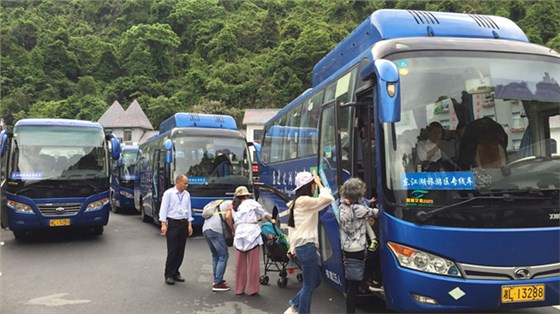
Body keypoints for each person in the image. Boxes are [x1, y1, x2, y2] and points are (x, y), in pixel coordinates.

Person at [284, 172, 334, 314]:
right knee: (308, 285)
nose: (315, 188)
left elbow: (292, 228)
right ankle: (301, 311)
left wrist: (291, 247)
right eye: (313, 185)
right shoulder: (304, 201)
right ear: (309, 186)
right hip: (306, 247)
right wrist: (319, 182)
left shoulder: (297, 202)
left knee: (316, 281)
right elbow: (328, 198)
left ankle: (294, 304)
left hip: (304, 247)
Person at [339, 178, 380, 313]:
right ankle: (375, 281)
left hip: (347, 248)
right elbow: (377, 213)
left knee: (352, 284)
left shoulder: (342, 207)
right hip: (358, 250)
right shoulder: (358, 209)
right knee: (354, 285)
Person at [232, 186, 274, 296]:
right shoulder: (251, 202)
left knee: (239, 265)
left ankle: (239, 289)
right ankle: (253, 289)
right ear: (246, 195)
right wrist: (273, 220)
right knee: (253, 265)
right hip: (252, 234)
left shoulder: (234, 206)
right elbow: (264, 214)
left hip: (240, 235)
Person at [159, 174, 193, 285]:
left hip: (183, 223)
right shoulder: (169, 193)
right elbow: (163, 208)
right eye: (185, 183)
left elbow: (188, 209)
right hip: (173, 223)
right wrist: (163, 223)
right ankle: (168, 274)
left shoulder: (187, 195)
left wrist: (189, 224)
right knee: (172, 250)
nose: (187, 185)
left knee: (180, 250)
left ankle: (176, 272)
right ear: (178, 182)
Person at [202, 200, 234, 292]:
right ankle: (217, 283)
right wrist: (232, 230)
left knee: (215, 255)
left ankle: (216, 279)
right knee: (223, 256)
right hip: (216, 230)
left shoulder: (216, 203)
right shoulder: (230, 204)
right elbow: (228, 217)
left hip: (206, 229)